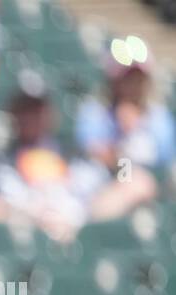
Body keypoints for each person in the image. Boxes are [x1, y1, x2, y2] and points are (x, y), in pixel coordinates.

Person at [0, 80, 98, 243]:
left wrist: (74, 215)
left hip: (73, 230)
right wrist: (26, 216)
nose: (31, 118)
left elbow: (103, 193)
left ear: (49, 114)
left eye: (36, 110)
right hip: (22, 238)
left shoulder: (72, 153)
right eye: (24, 110)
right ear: (13, 114)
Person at [74, 40, 173, 221]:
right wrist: (124, 133)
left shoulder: (158, 117)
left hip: (152, 189)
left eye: (137, 78)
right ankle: (87, 229)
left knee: (140, 183)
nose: (132, 85)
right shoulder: (95, 112)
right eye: (127, 77)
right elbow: (97, 154)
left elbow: (165, 162)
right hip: (100, 184)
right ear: (114, 79)